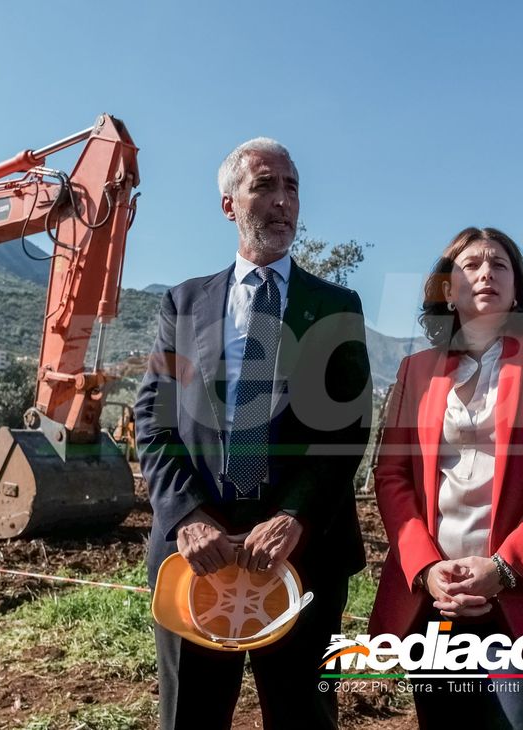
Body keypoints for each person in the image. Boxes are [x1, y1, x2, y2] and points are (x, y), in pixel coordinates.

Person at [135, 137, 372, 730]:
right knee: (190, 717)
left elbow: (347, 430)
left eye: (292, 187)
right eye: (265, 186)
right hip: (197, 559)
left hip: (303, 555)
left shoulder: (337, 305)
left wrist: (294, 515)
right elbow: (155, 419)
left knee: (303, 719)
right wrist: (187, 516)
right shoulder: (183, 302)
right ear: (228, 205)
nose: (283, 201)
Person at [370, 226, 523, 729]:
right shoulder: (416, 370)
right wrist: (425, 568)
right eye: (471, 265)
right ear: (447, 289)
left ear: (517, 287)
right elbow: (392, 474)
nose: (486, 273)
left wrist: (505, 568)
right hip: (438, 596)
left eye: (499, 264)